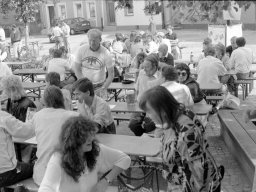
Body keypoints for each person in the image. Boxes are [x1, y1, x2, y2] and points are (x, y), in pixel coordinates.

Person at [139, 86, 224, 192]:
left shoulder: (185, 133)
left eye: (150, 111)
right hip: (179, 183)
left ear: (162, 110)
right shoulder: (175, 116)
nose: (148, 116)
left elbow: (197, 174)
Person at [38, 116, 131, 192]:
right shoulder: (58, 158)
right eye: (84, 136)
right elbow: (45, 188)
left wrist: (105, 181)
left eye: (91, 134)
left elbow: (125, 159)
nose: (91, 138)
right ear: (72, 141)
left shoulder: (96, 150)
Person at [129, 54, 161, 136]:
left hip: (154, 108)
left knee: (149, 125)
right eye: (144, 67)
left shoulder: (160, 77)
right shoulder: (141, 73)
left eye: (147, 67)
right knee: (132, 124)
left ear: (154, 67)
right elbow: (137, 89)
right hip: (140, 105)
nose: (144, 69)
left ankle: (145, 138)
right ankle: (143, 137)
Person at [0, 110, 34, 188]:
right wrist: (37, 118)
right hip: (5, 174)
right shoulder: (3, 117)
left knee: (20, 165)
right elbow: (26, 131)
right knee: (35, 168)